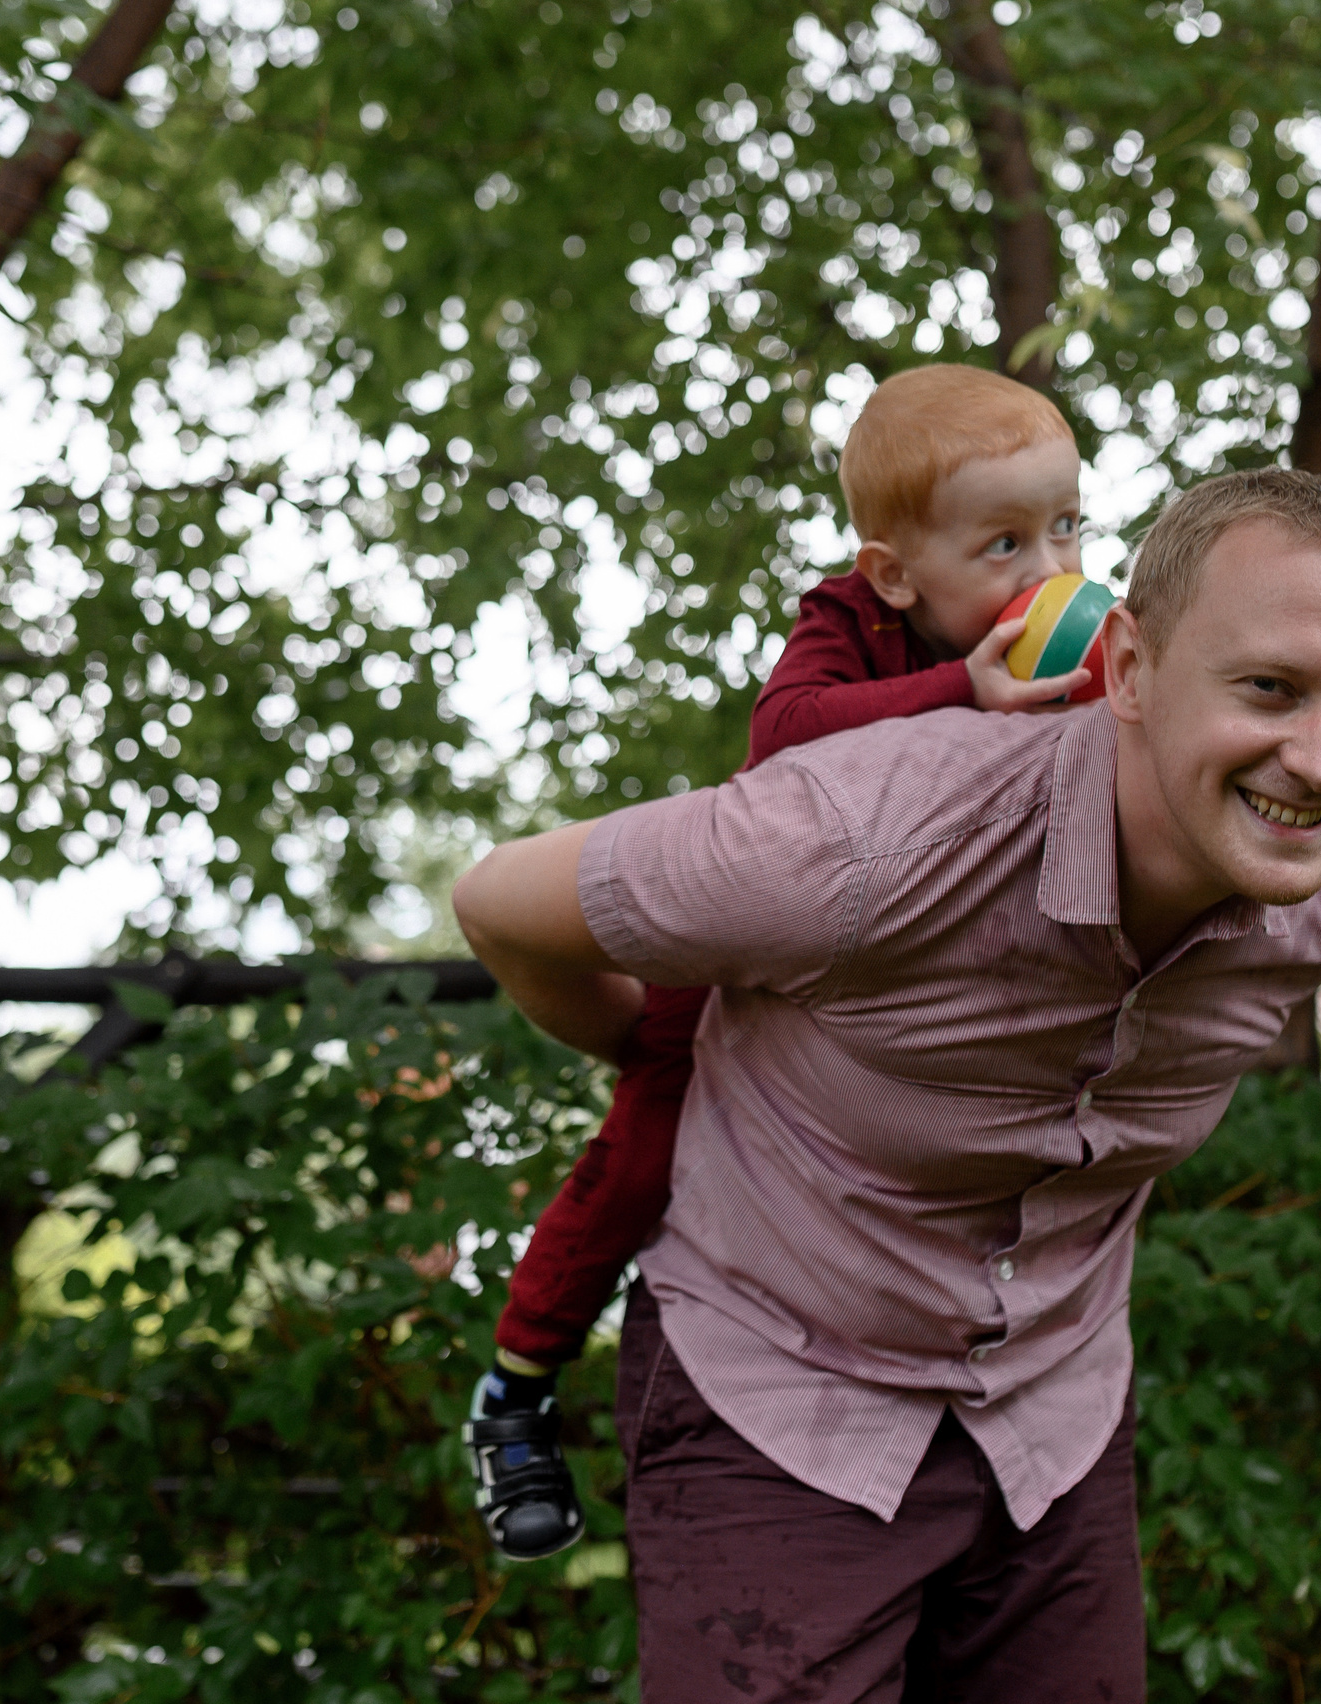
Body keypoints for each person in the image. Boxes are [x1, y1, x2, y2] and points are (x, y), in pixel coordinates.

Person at [450, 465, 1321, 1700]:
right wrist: (670, 1061)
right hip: (779, 1393)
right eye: (1270, 689)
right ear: (1129, 669)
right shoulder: (856, 843)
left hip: (1053, 1420)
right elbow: (500, 903)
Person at [462, 364, 1093, 1561]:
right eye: (1006, 542)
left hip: (901, 987)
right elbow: (782, 731)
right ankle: (516, 1388)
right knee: (642, 1149)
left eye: (1066, 525)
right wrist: (961, 691)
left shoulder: (1061, 643)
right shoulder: (850, 621)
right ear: (894, 572)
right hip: (756, 941)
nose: (1049, 567)